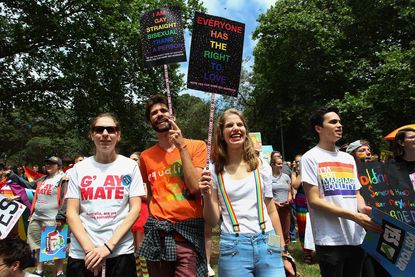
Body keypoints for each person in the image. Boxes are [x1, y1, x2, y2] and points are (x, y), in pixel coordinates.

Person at [200, 108, 294, 277]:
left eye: (239, 124)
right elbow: (212, 220)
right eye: (229, 125)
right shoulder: (214, 171)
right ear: (221, 133)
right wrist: (206, 195)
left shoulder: (260, 165)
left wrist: (282, 251)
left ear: (245, 130)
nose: (235, 128)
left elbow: (271, 210)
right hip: (233, 247)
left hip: (268, 240)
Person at [301, 106, 382, 277]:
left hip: (356, 237)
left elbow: (356, 194)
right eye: (333, 122)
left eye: (340, 122)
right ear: (319, 129)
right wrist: (353, 215)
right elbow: (314, 201)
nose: (339, 125)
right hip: (330, 239)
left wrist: (363, 209)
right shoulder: (310, 157)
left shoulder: (348, 158)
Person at [66, 113, 144, 277]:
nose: (105, 134)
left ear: (118, 135)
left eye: (111, 129)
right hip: (83, 254)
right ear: (92, 135)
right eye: (99, 129)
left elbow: (135, 209)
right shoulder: (78, 169)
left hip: (120, 252)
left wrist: (108, 247)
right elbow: (71, 213)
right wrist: (91, 251)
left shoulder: (130, 166)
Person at [137, 95, 207, 277]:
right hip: (158, 234)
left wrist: (181, 147)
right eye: (154, 113)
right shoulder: (145, 157)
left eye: (163, 110)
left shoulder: (196, 146)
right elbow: (151, 193)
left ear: (172, 115)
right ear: (149, 121)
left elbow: (195, 187)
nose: (159, 114)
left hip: (188, 234)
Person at [8, 157, 66, 277]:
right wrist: (13, 175)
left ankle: (60, 272)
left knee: (55, 247)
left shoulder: (64, 179)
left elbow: (66, 199)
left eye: (52, 164)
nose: (48, 165)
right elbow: (28, 185)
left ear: (59, 166)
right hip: (36, 217)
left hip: (53, 219)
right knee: (38, 246)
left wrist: (61, 217)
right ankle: (40, 271)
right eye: (47, 164)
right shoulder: (43, 179)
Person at [291, 154, 314, 264]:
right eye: (297, 162)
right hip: (301, 202)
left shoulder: (312, 169)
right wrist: (301, 172)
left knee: (316, 226)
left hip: (314, 201)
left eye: (301, 161)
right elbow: (295, 185)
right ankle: (307, 253)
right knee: (303, 227)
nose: (299, 163)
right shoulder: (295, 174)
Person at [270, 155, 292, 246]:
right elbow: (266, 194)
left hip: (285, 207)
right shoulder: (268, 178)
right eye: (278, 164)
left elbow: (289, 191)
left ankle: (285, 250)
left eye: (281, 163)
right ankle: (274, 250)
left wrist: (289, 198)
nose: (281, 165)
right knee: (274, 230)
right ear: (272, 164)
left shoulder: (286, 177)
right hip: (274, 208)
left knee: (285, 229)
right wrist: (275, 203)